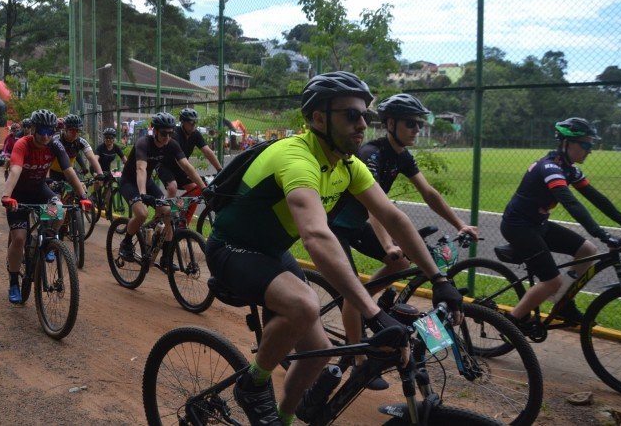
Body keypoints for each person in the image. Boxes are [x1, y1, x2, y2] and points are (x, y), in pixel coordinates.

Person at [205, 72, 463, 425]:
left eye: (365, 115)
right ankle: (254, 382)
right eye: (351, 115)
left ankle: (282, 419)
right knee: (303, 304)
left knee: (317, 353)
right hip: (231, 248)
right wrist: (373, 313)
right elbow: (315, 235)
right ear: (318, 118)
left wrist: (439, 278)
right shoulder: (296, 157)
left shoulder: (347, 163)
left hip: (271, 251)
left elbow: (393, 217)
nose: (362, 124)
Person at [327, 93, 478, 388]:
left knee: (400, 265)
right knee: (353, 288)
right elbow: (375, 207)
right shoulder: (371, 152)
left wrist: (460, 224)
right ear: (391, 123)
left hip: (356, 225)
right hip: (335, 226)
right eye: (411, 123)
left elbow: (429, 193)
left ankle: (366, 305)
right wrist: (388, 245)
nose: (417, 130)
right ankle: (358, 361)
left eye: (419, 124)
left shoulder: (401, 155)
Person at [501, 117, 621, 326]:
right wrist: (601, 233)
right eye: (585, 144)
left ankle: (563, 304)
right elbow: (572, 204)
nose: (589, 150)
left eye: (590, 145)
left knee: (587, 250)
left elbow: (598, 199)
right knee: (552, 281)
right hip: (518, 227)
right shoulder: (549, 168)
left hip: (538, 225)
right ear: (566, 143)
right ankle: (511, 321)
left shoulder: (569, 169)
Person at [0, 109, 91, 304]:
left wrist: (83, 196)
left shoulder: (55, 145)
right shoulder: (22, 144)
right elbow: (15, 170)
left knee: (58, 209)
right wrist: (7, 196)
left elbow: (69, 171)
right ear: (33, 129)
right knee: (19, 238)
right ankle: (14, 281)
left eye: (50, 131)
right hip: (18, 194)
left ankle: (50, 240)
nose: (46, 136)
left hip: (40, 190)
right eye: (42, 131)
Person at [117, 112, 206, 261]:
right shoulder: (143, 143)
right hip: (130, 182)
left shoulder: (171, 144)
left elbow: (187, 166)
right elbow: (141, 169)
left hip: (146, 182)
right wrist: (143, 194)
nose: (167, 137)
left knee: (169, 213)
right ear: (154, 130)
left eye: (170, 133)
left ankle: (166, 256)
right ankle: (126, 242)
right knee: (142, 213)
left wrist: (204, 188)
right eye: (164, 133)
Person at [159, 108, 223, 224]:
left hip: (181, 169)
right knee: (172, 187)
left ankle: (183, 223)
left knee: (196, 189)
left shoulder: (195, 134)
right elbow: (181, 163)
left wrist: (220, 169)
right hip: (166, 166)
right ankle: (164, 217)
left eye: (195, 122)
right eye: (191, 122)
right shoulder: (175, 134)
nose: (194, 125)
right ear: (183, 122)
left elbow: (207, 151)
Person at [47, 114, 105, 195]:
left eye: (77, 130)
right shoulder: (55, 140)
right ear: (65, 129)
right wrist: (47, 177)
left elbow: (91, 157)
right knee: (56, 199)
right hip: (54, 173)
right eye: (72, 130)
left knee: (82, 192)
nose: (75, 133)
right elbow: (46, 159)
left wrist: (100, 174)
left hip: (70, 172)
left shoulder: (81, 141)